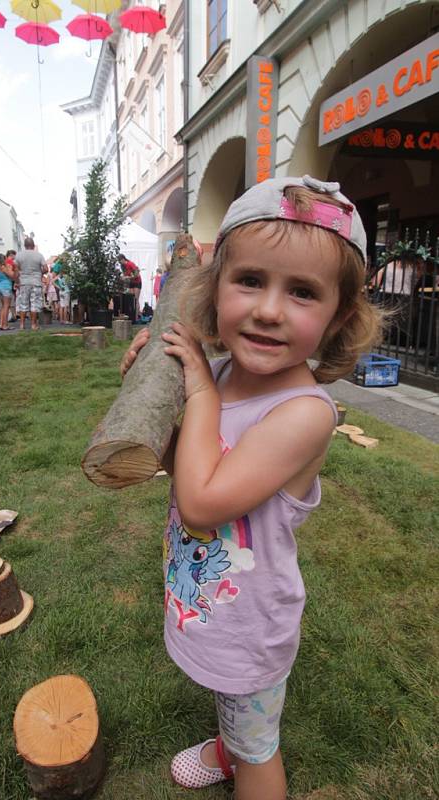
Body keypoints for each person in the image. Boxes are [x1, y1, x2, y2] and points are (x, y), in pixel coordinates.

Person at [121, 176, 383, 800]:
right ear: (215, 290)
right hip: (211, 599)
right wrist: (148, 394)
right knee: (232, 704)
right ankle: (225, 746)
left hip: (251, 622)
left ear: (338, 315)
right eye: (250, 281)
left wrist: (198, 393)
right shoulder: (213, 375)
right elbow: (179, 464)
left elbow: (203, 500)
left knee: (259, 745)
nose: (269, 309)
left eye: (301, 292)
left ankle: (245, 761)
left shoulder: (305, 413)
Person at [14, 237, 47, 331]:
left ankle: (22, 325)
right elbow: (46, 269)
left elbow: (16, 270)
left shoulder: (19, 256)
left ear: (24, 246)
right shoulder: (39, 255)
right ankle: (33, 325)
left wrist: (17, 281)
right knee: (34, 304)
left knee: (23, 303)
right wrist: (39, 273)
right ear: (33, 245)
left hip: (23, 282)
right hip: (36, 282)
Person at [0, 253, 15, 331]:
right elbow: (12, 275)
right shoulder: (3, 267)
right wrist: (11, 269)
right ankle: (5, 325)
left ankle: (1, 324)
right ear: (4, 259)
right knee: (6, 306)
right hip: (6, 287)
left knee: (3, 307)